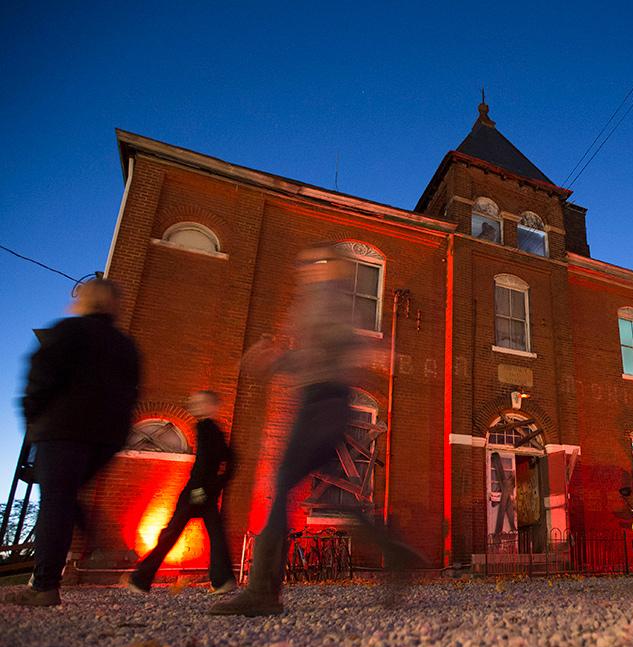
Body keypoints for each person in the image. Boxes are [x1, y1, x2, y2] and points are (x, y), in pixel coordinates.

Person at [209, 243, 421, 617]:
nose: (306, 267)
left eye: (314, 262)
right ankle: (397, 555)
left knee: (283, 482)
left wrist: (278, 360)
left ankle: (263, 590)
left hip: (321, 401)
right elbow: (343, 349)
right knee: (332, 493)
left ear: (329, 267)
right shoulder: (330, 298)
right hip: (325, 401)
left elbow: (327, 352)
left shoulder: (327, 299)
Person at [4, 278, 141, 607]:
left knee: (57, 498)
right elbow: (132, 392)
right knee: (65, 496)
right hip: (104, 436)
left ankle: (46, 585)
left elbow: (40, 377)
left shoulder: (67, 331)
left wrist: (32, 416)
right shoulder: (125, 344)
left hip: (62, 429)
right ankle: (102, 546)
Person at [128, 392, 237, 594]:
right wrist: (216, 485)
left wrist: (198, 489)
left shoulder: (206, 428)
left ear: (211, 406)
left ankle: (141, 578)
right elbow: (229, 459)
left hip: (197, 492)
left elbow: (205, 461)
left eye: (199, 403)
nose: (194, 406)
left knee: (171, 534)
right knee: (216, 536)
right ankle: (223, 579)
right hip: (208, 491)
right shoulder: (212, 429)